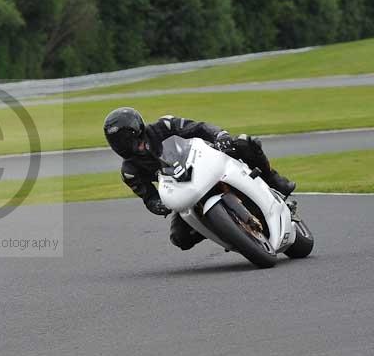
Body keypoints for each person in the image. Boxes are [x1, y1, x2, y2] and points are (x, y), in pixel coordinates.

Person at [103, 107, 296, 251]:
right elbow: (149, 197)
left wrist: (220, 135)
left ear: (137, 129)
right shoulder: (130, 171)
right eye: (117, 142)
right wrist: (158, 205)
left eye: (126, 139)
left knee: (245, 143)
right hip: (185, 190)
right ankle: (223, 228)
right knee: (180, 239)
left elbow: (199, 128)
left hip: (207, 161)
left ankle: (273, 179)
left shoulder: (164, 126)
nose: (124, 145)